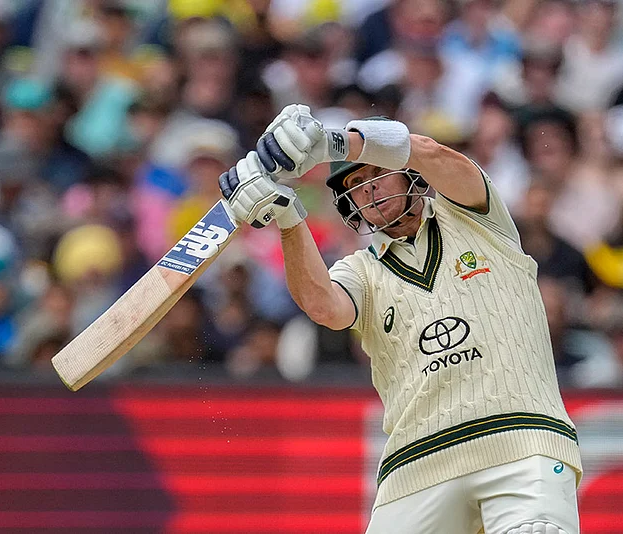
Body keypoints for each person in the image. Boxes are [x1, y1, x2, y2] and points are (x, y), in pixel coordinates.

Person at [218, 104, 582, 533]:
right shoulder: (361, 270)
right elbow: (323, 305)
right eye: (355, 184)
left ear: (409, 172)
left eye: (376, 174)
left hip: (520, 438)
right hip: (416, 462)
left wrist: (334, 144)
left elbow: (431, 152)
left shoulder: (477, 217)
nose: (368, 190)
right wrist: (286, 216)